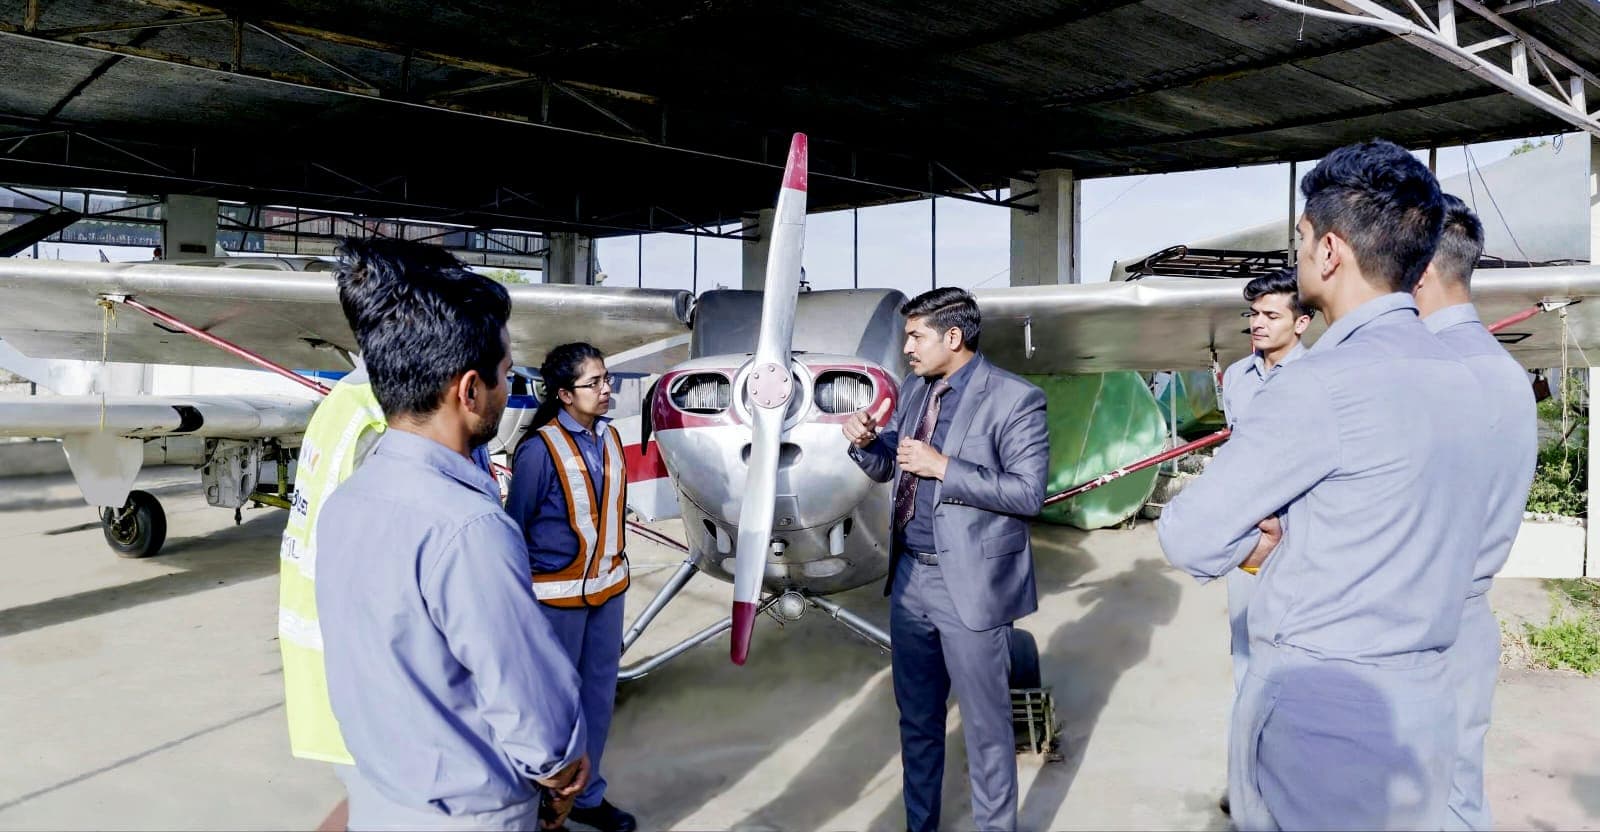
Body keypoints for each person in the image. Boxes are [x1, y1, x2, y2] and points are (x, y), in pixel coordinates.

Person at [1157, 139, 1494, 830]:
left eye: (1302, 238)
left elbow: (1188, 534)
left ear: (1331, 251)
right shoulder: (1465, 374)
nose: (1301, 252)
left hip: (1328, 723)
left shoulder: (1319, 385)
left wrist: (1263, 548)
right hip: (1427, 707)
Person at [315, 238, 588, 830]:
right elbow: (531, 707)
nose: (507, 391)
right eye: (505, 376)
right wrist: (563, 770)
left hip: (379, 792)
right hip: (469, 812)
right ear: (468, 391)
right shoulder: (470, 529)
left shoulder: (347, 502)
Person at [278, 241, 495, 829]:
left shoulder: (350, 399)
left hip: (341, 665)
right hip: (386, 680)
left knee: (365, 805)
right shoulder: (399, 420)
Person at [842, 286, 1049, 832]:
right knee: (918, 722)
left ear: (953, 337)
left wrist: (944, 467)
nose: (906, 347)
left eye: (915, 336)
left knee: (985, 727)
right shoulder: (916, 390)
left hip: (972, 584)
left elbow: (1029, 494)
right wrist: (869, 445)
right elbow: (896, 465)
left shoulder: (1015, 399)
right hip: (910, 578)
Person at [1413, 194, 1537, 831]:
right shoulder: (1507, 375)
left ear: (1422, 271)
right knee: (1461, 792)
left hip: (1414, 627)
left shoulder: (1422, 373)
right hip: (1470, 617)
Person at [506, 343, 635, 832]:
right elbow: (514, 528)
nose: (606, 390)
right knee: (553, 709)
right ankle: (542, 805)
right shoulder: (539, 450)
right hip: (555, 601)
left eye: (608, 379)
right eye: (594, 383)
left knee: (598, 701)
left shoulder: (611, 439)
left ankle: (587, 794)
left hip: (607, 596)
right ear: (563, 395)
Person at [1214, 268, 1313, 816]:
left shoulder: (1322, 377)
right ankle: (1247, 784)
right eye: (1252, 314)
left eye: (1271, 315)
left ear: (1301, 323)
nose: (1257, 324)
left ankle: (1291, 785)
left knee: (1300, 669)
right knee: (1248, 663)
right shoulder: (1237, 378)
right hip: (1251, 545)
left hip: (1306, 547)